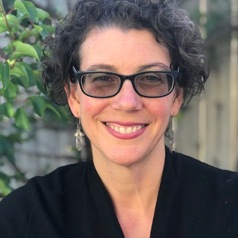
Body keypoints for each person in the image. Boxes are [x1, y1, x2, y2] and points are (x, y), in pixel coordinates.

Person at [0, 0, 238, 237]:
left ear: (176, 96)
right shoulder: (24, 219)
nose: (127, 102)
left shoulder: (230, 208)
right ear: (73, 97)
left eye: (151, 78)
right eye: (103, 79)